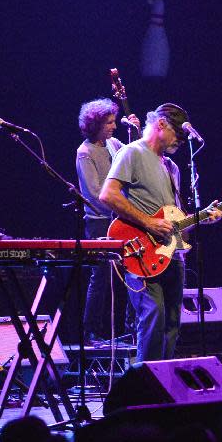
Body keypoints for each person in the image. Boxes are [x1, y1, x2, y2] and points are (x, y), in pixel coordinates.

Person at [99, 103, 221, 362]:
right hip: (140, 251)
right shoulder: (132, 153)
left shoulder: (172, 167)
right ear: (161, 124)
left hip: (171, 253)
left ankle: (163, 385)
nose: (180, 140)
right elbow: (107, 195)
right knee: (154, 317)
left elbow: (173, 217)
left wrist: (203, 218)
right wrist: (147, 222)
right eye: (178, 132)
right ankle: (146, 389)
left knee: (172, 324)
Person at [75, 98, 139, 342]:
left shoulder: (114, 144)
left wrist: (135, 134)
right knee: (101, 276)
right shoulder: (85, 152)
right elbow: (94, 192)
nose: (114, 126)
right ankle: (90, 332)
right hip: (100, 221)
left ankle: (132, 328)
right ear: (95, 125)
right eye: (109, 123)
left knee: (134, 272)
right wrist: (123, 207)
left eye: (114, 121)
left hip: (121, 218)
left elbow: (133, 160)